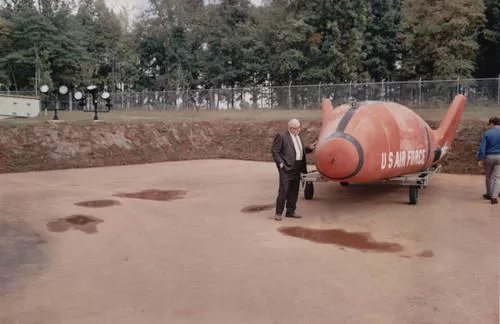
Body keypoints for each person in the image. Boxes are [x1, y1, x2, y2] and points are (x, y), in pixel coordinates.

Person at [271, 118, 317, 220]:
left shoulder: (298, 137)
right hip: (286, 168)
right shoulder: (282, 137)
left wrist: (309, 148)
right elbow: (275, 151)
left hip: (298, 167)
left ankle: (290, 211)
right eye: (297, 128)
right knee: (284, 190)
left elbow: (299, 149)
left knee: (294, 190)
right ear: (291, 128)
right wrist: (280, 163)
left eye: (299, 128)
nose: (299, 130)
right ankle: (278, 213)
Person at [477, 117, 500, 204]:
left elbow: (482, 148)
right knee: (497, 177)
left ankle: (489, 194)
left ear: (492, 123)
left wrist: (480, 158)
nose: (489, 126)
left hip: (489, 157)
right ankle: (494, 197)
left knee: (488, 176)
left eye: (489, 124)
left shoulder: (487, 133)